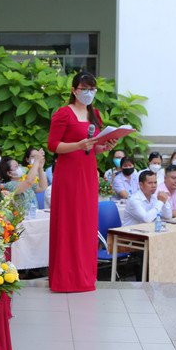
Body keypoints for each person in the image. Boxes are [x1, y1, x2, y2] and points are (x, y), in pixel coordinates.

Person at [47, 71, 116, 292]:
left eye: (92, 89)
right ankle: (65, 277)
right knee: (69, 223)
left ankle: (84, 276)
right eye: (84, 89)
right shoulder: (63, 113)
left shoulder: (95, 114)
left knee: (86, 223)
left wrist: (105, 147)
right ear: (74, 90)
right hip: (68, 174)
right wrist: (78, 145)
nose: (88, 93)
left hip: (88, 173)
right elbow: (53, 145)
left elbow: (94, 147)